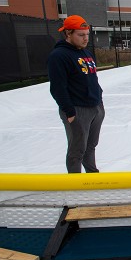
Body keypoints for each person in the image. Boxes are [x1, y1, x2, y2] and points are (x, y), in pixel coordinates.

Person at [47, 15, 105, 173]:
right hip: (77, 109)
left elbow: (92, 78)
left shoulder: (86, 53)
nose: (86, 38)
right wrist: (70, 112)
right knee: (77, 150)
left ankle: (92, 176)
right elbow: (58, 88)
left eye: (87, 34)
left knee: (91, 146)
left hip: (95, 107)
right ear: (68, 33)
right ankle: (75, 184)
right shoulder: (59, 56)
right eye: (81, 35)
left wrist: (99, 100)